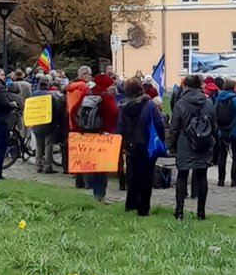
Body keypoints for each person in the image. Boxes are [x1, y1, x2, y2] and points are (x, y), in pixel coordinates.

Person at [118, 77, 166, 216]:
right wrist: (162, 139)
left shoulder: (123, 106)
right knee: (146, 177)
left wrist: (124, 141)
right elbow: (159, 123)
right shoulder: (150, 105)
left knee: (133, 175)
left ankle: (130, 205)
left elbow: (120, 127)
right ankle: (143, 209)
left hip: (131, 144)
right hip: (147, 144)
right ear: (141, 89)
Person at [169, 75, 215, 219]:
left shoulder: (180, 103)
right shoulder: (208, 102)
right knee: (202, 176)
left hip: (185, 142)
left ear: (186, 86)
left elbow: (174, 127)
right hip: (203, 142)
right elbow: (213, 124)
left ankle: (179, 211)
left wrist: (171, 145)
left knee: (182, 176)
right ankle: (201, 212)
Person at [86, 73, 120, 203]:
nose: (112, 87)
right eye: (110, 84)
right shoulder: (107, 97)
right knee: (102, 167)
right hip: (104, 135)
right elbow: (114, 113)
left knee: (93, 165)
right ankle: (100, 195)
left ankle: (94, 191)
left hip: (90, 133)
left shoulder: (89, 93)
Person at [213, 78, 236, 187]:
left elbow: (214, 113)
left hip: (221, 131)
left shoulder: (219, 98)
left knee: (222, 155)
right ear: (234, 87)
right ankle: (234, 180)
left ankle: (221, 180)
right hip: (235, 131)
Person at [30, 75, 59, 174]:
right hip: (48, 124)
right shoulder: (51, 96)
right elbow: (56, 110)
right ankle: (47, 166)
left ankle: (38, 165)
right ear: (48, 84)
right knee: (48, 145)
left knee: (39, 145)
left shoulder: (34, 94)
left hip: (37, 123)